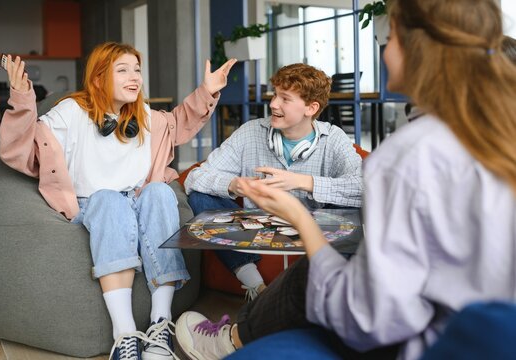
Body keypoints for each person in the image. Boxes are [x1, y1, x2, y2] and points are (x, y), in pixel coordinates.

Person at [174, 0, 516, 359]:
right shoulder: (491, 138)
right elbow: (199, 176)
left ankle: (229, 341)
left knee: (311, 273)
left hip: (419, 342)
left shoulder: (405, 156)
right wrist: (235, 185)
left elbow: (368, 321)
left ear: (418, 48)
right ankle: (242, 319)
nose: (383, 52)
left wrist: (301, 210)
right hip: (469, 331)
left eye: (391, 36)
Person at [0, 42, 236, 360]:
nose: (134, 77)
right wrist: (21, 96)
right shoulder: (71, 112)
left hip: (138, 199)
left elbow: (179, 123)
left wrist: (206, 91)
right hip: (93, 203)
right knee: (110, 201)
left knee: (160, 191)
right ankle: (124, 336)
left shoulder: (143, 116)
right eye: (122, 70)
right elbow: (20, 145)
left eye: (137, 70)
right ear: (98, 78)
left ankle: (159, 326)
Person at [184, 63, 363, 299]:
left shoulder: (333, 138)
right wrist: (234, 184)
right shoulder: (250, 132)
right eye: (275, 94)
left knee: (352, 204)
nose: (273, 104)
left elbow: (362, 187)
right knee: (200, 196)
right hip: (255, 227)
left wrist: (301, 181)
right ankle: (254, 284)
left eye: (285, 99)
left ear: (311, 107)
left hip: (313, 229)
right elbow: (195, 177)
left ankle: (323, 285)